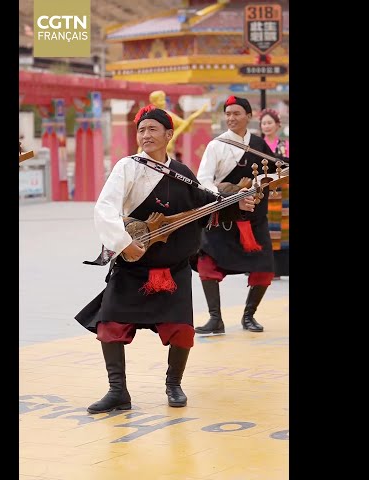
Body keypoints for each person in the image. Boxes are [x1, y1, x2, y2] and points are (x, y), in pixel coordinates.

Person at [75, 104, 256, 413]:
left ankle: (174, 385)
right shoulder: (127, 167)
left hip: (173, 270)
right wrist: (123, 243)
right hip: (134, 267)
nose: (145, 135)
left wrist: (240, 204)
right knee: (111, 324)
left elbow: (208, 204)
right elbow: (104, 208)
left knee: (181, 330)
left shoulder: (183, 174)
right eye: (141, 130)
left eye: (152, 129)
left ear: (169, 134)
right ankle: (118, 391)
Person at [193, 96, 278, 335]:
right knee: (207, 264)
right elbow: (204, 181)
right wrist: (224, 195)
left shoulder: (259, 144)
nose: (231, 118)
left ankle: (249, 316)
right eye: (228, 113)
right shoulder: (216, 145)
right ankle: (215, 319)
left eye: (237, 113)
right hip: (223, 217)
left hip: (253, 218)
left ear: (249, 116)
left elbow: (278, 169)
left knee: (264, 267)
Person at [259, 108, 289, 279]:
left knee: (282, 230)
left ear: (277, 125)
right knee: (263, 227)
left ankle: (280, 268)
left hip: (283, 193)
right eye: (264, 123)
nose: (267, 126)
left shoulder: (285, 146)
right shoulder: (257, 144)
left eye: (270, 123)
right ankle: (261, 267)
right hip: (263, 192)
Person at [148, 90, 208, 157]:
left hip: (167, 154)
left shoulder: (170, 116)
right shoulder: (147, 118)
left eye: (163, 99)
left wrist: (194, 116)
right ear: (153, 102)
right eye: (160, 100)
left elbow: (185, 126)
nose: (163, 102)